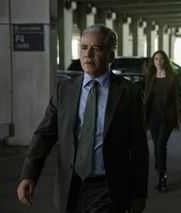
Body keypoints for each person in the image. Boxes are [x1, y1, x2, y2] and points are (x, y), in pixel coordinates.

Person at [17, 24, 149, 213]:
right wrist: (28, 175)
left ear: (111, 55)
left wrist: (138, 193)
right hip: (71, 187)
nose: (88, 54)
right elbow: (44, 135)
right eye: (84, 47)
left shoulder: (128, 93)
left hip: (108, 188)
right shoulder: (64, 90)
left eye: (97, 48)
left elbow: (139, 148)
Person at [144, 50, 181, 192]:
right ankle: (161, 170)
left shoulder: (173, 77)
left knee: (161, 144)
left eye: (161, 58)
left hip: (167, 116)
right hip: (153, 117)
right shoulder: (150, 77)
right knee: (156, 145)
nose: (159, 61)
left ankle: (161, 175)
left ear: (165, 61)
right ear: (153, 62)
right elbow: (147, 98)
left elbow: (178, 99)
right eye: (156, 59)